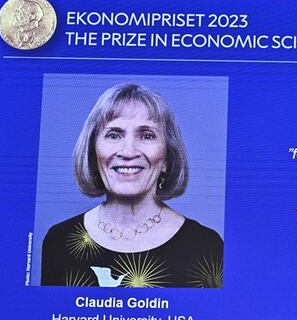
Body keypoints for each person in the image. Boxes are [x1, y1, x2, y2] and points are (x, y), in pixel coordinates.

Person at [41, 82, 223, 288]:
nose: (128, 152)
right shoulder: (59, 241)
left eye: (147, 135)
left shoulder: (206, 246)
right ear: (93, 153)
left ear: (167, 159)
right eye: (113, 135)